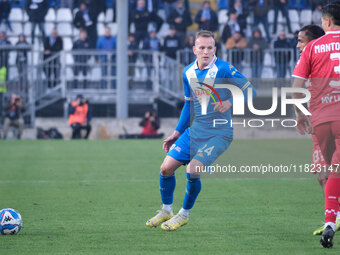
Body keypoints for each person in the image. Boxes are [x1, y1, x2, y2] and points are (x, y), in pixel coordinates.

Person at [145, 30, 256, 231]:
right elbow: (189, 105)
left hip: (219, 133)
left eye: (210, 47)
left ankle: (183, 215)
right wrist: (177, 132)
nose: (206, 52)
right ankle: (166, 210)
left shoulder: (224, 69)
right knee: (165, 168)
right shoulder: (187, 72)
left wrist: (230, 101)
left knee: (192, 169)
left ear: (215, 49)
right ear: (194, 49)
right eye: (202, 48)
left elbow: (250, 90)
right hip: (195, 131)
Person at [292, 3, 340, 248]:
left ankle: (332, 218)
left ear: (326, 22)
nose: (298, 44)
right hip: (320, 121)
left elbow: (296, 89)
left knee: (331, 171)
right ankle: (333, 217)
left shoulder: (313, 51)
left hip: (322, 121)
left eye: (301, 40)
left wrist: (300, 114)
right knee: (326, 173)